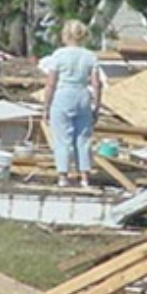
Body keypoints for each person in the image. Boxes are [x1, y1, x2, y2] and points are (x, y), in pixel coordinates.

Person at [42, 19, 101, 188]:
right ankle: (84, 177)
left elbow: (51, 83)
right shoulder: (90, 56)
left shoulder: (59, 55)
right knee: (83, 138)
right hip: (82, 95)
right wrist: (96, 106)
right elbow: (96, 84)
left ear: (65, 35)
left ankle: (63, 176)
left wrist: (46, 106)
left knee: (62, 138)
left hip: (63, 95)